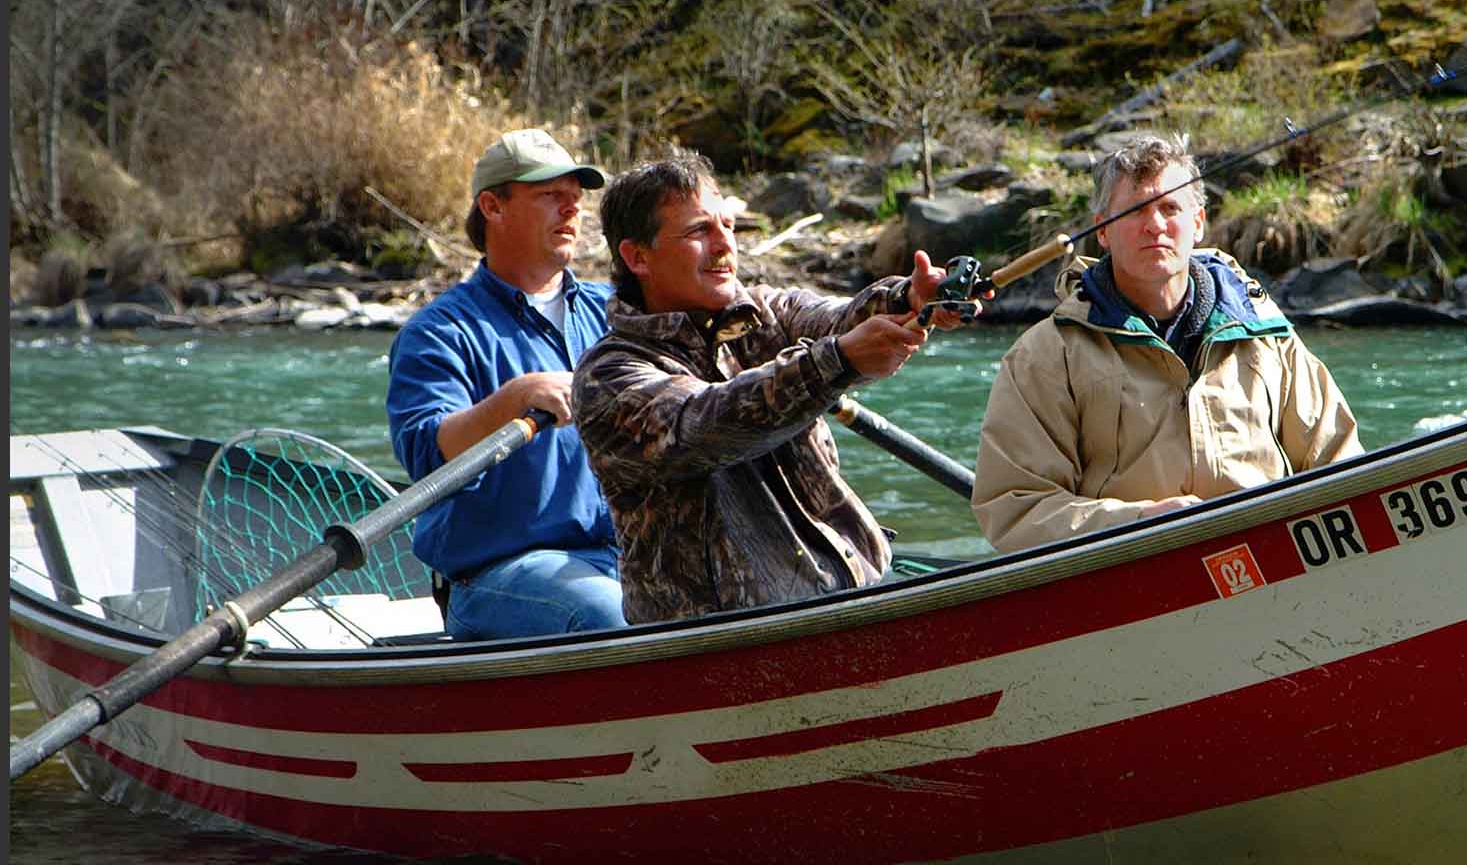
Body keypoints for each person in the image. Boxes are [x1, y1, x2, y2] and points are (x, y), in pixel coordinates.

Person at [573, 148, 979, 626]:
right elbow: (706, 422)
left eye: (728, 226)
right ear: (637, 256)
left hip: (851, 594)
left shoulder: (767, 313)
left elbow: (839, 318)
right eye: (699, 231)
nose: (725, 246)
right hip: (715, 642)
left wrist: (910, 299)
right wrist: (839, 359)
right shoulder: (609, 375)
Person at [971, 131, 1364, 553]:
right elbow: (1016, 510)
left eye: (1170, 208)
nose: (1154, 225)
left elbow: (1341, 465)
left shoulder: (1268, 334)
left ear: (1197, 224)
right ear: (1102, 231)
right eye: (1136, 210)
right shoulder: (1044, 356)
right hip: (1133, 571)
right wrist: (1137, 522)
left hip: (1277, 563)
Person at [385, 127, 627, 640]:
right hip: (497, 577)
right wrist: (513, 401)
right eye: (549, 196)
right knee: (609, 616)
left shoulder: (617, 312)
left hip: (625, 556)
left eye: (575, 198)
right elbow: (428, 454)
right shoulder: (439, 331)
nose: (571, 211)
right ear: (493, 206)